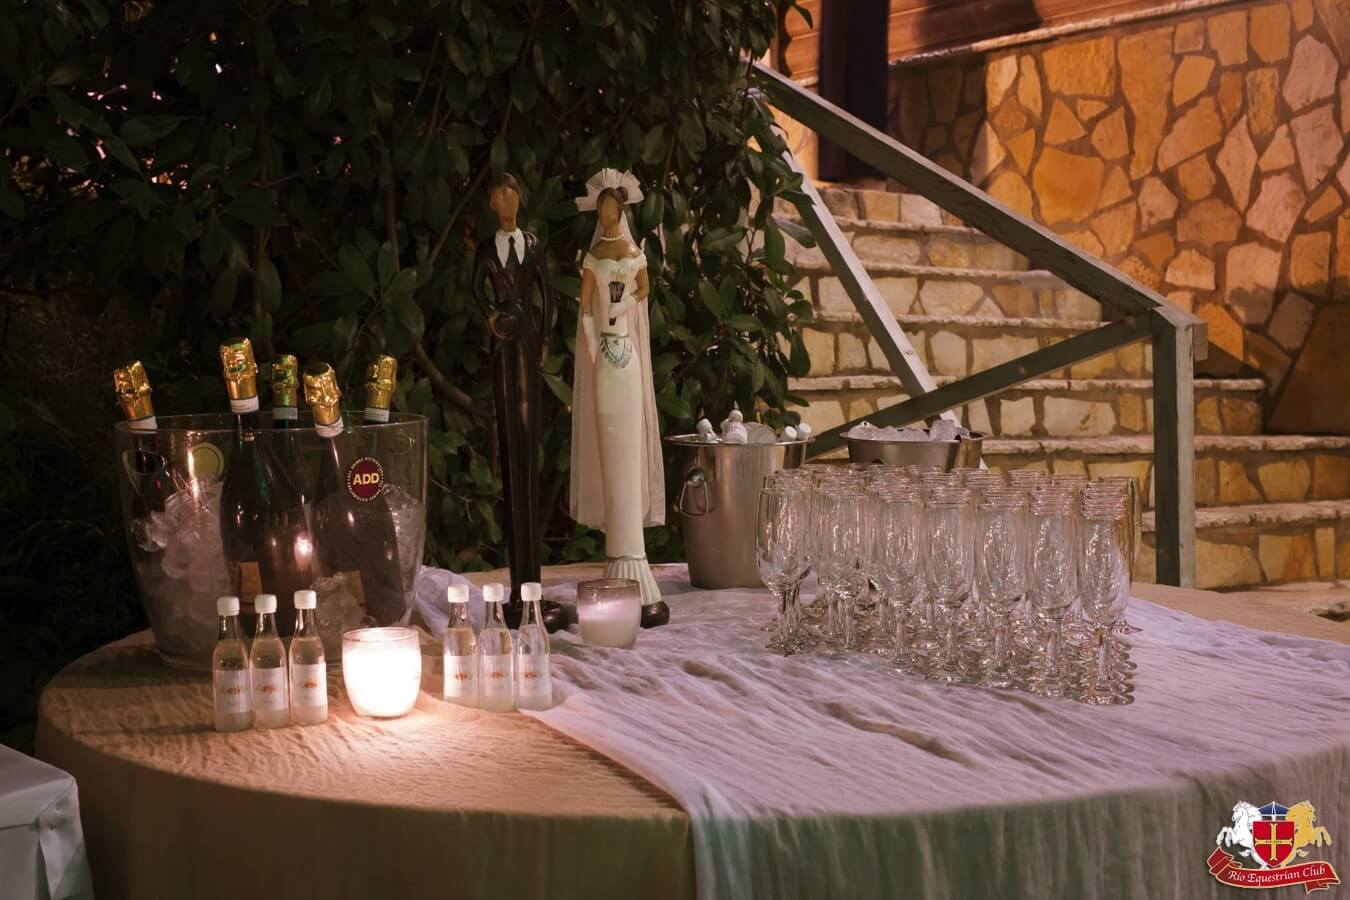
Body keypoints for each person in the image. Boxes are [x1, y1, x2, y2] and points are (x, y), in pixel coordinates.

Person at [570, 169, 666, 615]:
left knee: (631, 447)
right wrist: (593, 350)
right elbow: (585, 306)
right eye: (603, 207)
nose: (607, 213)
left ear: (620, 210)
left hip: (628, 358)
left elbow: (644, 287)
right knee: (611, 449)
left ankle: (635, 561)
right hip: (606, 362)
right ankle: (618, 560)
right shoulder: (593, 258)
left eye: (613, 207)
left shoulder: (633, 253)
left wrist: (626, 303)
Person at [472, 173, 563, 631]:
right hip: (502, 343)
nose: (506, 202)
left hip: (527, 341)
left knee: (529, 447)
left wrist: (543, 337)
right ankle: (518, 590)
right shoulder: (486, 249)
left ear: (519, 200)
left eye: (511, 195)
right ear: (493, 205)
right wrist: (490, 316)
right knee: (511, 446)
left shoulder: (532, 243)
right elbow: (476, 289)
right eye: (498, 197)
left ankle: (534, 589)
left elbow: (547, 291)